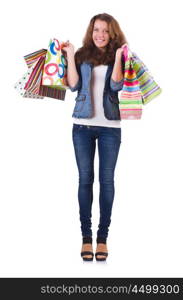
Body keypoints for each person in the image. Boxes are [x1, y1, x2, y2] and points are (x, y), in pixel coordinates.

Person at [62, 13, 128, 262]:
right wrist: (70, 55)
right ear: (91, 32)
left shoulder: (119, 55)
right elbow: (73, 86)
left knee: (107, 181)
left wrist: (120, 57)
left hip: (110, 126)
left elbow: (116, 86)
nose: (100, 34)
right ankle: (86, 238)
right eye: (96, 30)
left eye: (105, 31)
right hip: (82, 126)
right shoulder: (82, 55)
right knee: (85, 180)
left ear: (112, 33)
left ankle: (103, 239)